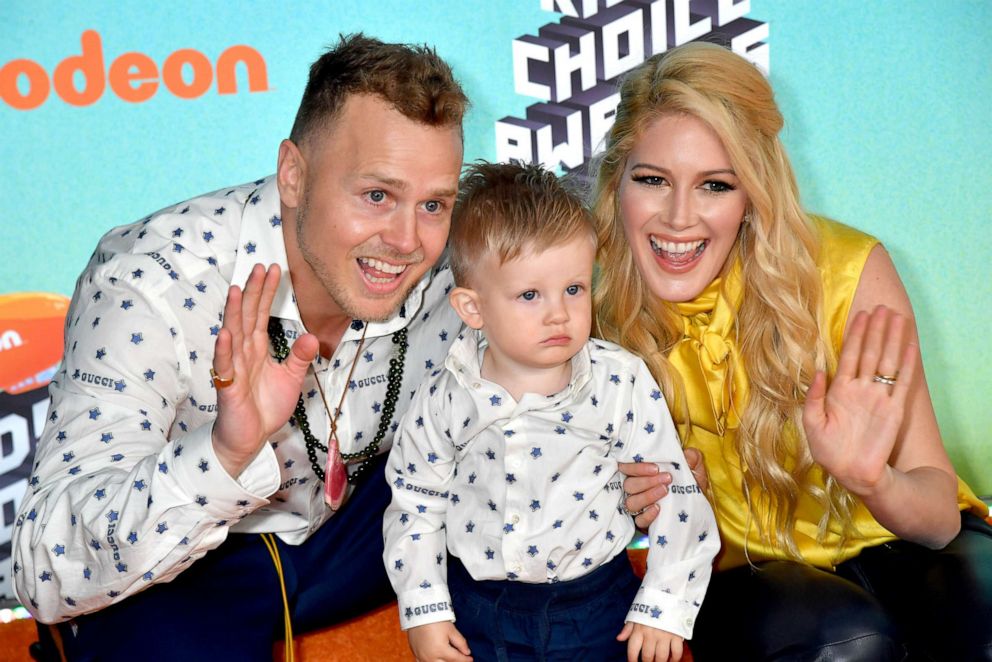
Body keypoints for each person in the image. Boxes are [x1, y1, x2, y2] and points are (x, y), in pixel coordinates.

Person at [12, 34, 469, 660]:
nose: (407, 240)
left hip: (365, 532)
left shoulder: (460, 269)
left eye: (434, 204)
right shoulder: (151, 282)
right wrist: (225, 453)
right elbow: (40, 565)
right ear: (294, 175)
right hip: (198, 562)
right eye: (377, 196)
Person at [597, 42, 992, 661]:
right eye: (652, 180)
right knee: (844, 647)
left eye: (715, 186)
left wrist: (873, 480)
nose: (678, 217)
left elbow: (939, 520)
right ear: (616, 181)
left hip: (903, 540)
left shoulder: (846, 269)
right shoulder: (582, 305)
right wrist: (633, 502)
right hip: (744, 573)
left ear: (752, 193)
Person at [382, 161, 719, 662]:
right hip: (479, 607)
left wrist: (664, 604)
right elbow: (415, 504)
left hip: (595, 605)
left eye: (574, 289)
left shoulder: (618, 381)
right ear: (473, 308)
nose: (558, 312)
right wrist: (425, 609)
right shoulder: (445, 397)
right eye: (530, 295)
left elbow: (675, 489)